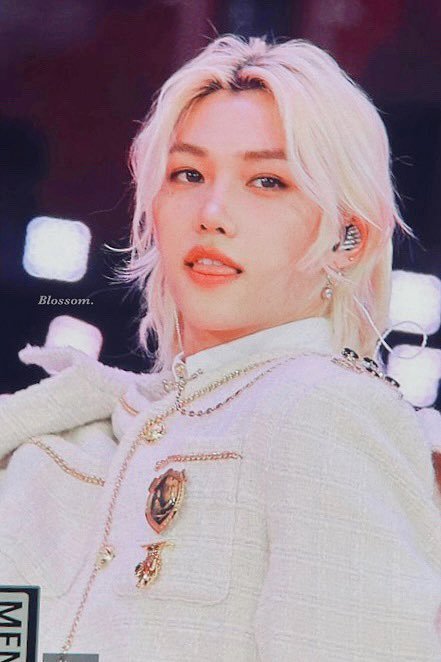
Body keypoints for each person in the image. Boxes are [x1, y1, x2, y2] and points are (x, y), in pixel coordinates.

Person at [1, 33, 441, 661]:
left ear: (348, 238)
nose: (211, 212)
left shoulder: (325, 411)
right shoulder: (73, 438)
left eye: (267, 181)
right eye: (188, 174)